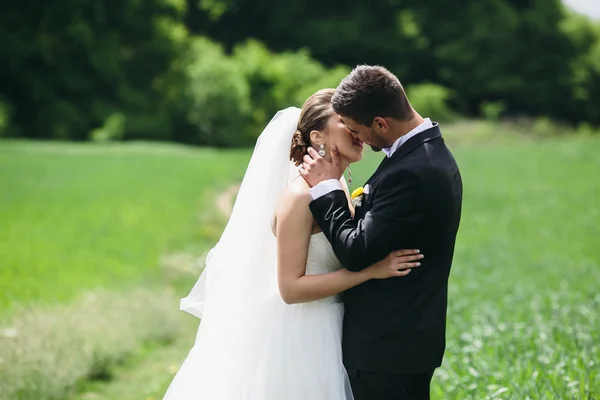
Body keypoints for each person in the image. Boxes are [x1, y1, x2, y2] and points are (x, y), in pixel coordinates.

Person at [162, 88, 422, 400]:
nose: (357, 130)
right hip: (303, 335)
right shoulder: (298, 198)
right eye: (345, 123)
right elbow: (290, 289)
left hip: (339, 326)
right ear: (317, 137)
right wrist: (370, 272)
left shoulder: (335, 186)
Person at [300, 65, 463, 400]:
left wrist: (327, 188)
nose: (356, 137)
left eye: (358, 130)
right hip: (404, 342)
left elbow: (357, 251)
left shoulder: (413, 171)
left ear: (381, 124)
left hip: (386, 349)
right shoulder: (426, 153)